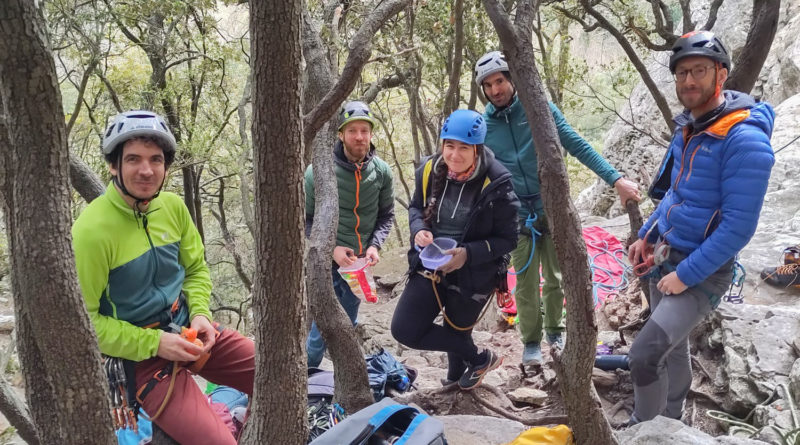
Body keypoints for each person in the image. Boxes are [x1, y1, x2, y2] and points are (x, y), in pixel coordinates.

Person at [72, 110, 255, 444]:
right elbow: (86, 322)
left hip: (189, 332)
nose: (146, 170)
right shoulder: (92, 231)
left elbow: (196, 269)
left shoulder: (172, 208)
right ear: (114, 166)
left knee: (282, 372)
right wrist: (156, 343)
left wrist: (200, 313)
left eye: (156, 159)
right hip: (142, 359)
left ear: (166, 167)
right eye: (133, 159)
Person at [627, 31, 774, 424]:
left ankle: (646, 433)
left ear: (721, 75)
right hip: (667, 257)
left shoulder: (745, 141)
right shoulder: (689, 129)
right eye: (682, 73)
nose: (689, 81)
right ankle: (672, 422)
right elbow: (676, 194)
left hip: (703, 272)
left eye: (700, 71)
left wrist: (685, 276)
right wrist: (647, 235)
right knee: (672, 349)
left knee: (644, 355)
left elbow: (738, 229)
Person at [474, 50, 641, 367]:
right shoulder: (484, 128)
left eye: (500, 81)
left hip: (553, 208)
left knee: (555, 277)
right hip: (516, 216)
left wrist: (615, 179)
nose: (496, 90)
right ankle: (531, 343)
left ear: (511, 79)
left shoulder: (538, 109)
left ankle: (555, 332)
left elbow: (576, 144)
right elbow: (474, 173)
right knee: (524, 283)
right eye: (489, 85)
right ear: (483, 90)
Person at [391, 109, 520, 390]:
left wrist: (467, 254)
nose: (454, 155)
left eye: (464, 148)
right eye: (449, 146)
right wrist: (417, 230)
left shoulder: (497, 183)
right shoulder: (429, 170)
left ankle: (453, 381)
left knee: (457, 329)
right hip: (431, 262)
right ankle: (480, 358)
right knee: (404, 329)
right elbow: (415, 207)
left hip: (475, 270)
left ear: (477, 149)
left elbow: (509, 239)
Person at [304, 100, 395, 367]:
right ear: (341, 134)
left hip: (359, 265)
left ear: (371, 134)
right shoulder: (317, 173)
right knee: (322, 328)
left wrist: (374, 246)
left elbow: (386, 216)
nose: (359, 137)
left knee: (349, 321)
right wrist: (331, 249)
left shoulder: (381, 172)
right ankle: (307, 376)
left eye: (364, 131)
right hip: (327, 262)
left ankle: (345, 379)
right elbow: (306, 220)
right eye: (352, 130)